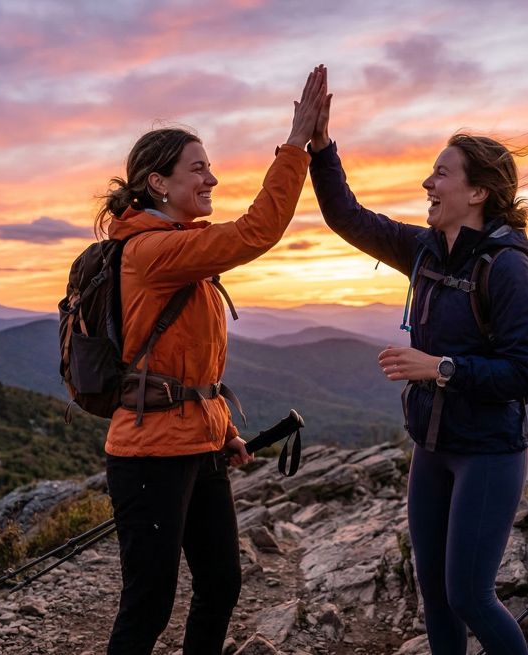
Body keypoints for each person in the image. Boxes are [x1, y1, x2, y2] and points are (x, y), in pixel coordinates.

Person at [96, 66, 327, 654]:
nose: (212, 179)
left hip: (196, 446)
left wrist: (221, 430)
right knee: (147, 608)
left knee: (221, 583)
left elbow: (192, 364)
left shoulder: (179, 250)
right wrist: (296, 145)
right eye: (197, 169)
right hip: (149, 452)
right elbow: (255, 232)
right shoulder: (152, 250)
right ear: (157, 183)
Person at [308, 85, 528, 655]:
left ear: (479, 191)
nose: (427, 184)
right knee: (435, 593)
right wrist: (321, 147)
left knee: (469, 594)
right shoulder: (426, 250)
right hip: (431, 448)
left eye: (441, 174)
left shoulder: (511, 272)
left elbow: (524, 375)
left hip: (487, 452)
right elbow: (348, 216)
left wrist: (439, 367)